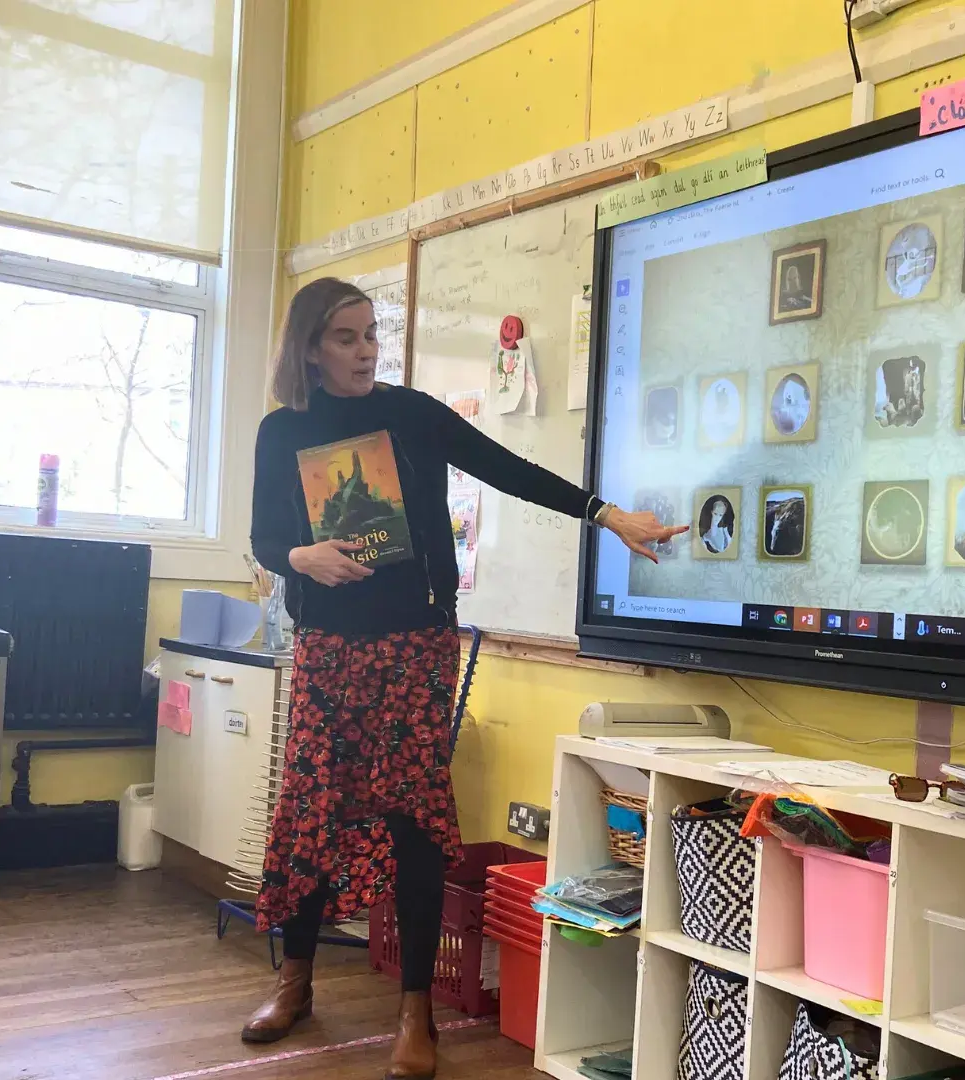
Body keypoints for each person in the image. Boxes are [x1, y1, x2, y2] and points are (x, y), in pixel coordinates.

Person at [246, 278, 684, 1079]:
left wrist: (608, 515)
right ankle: (295, 978)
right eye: (345, 337)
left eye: (371, 332)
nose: (365, 349)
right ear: (310, 348)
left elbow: (507, 467)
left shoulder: (410, 414)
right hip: (327, 649)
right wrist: (299, 557)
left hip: (415, 645)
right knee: (313, 808)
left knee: (414, 820)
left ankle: (417, 1015)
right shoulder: (284, 431)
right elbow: (267, 537)